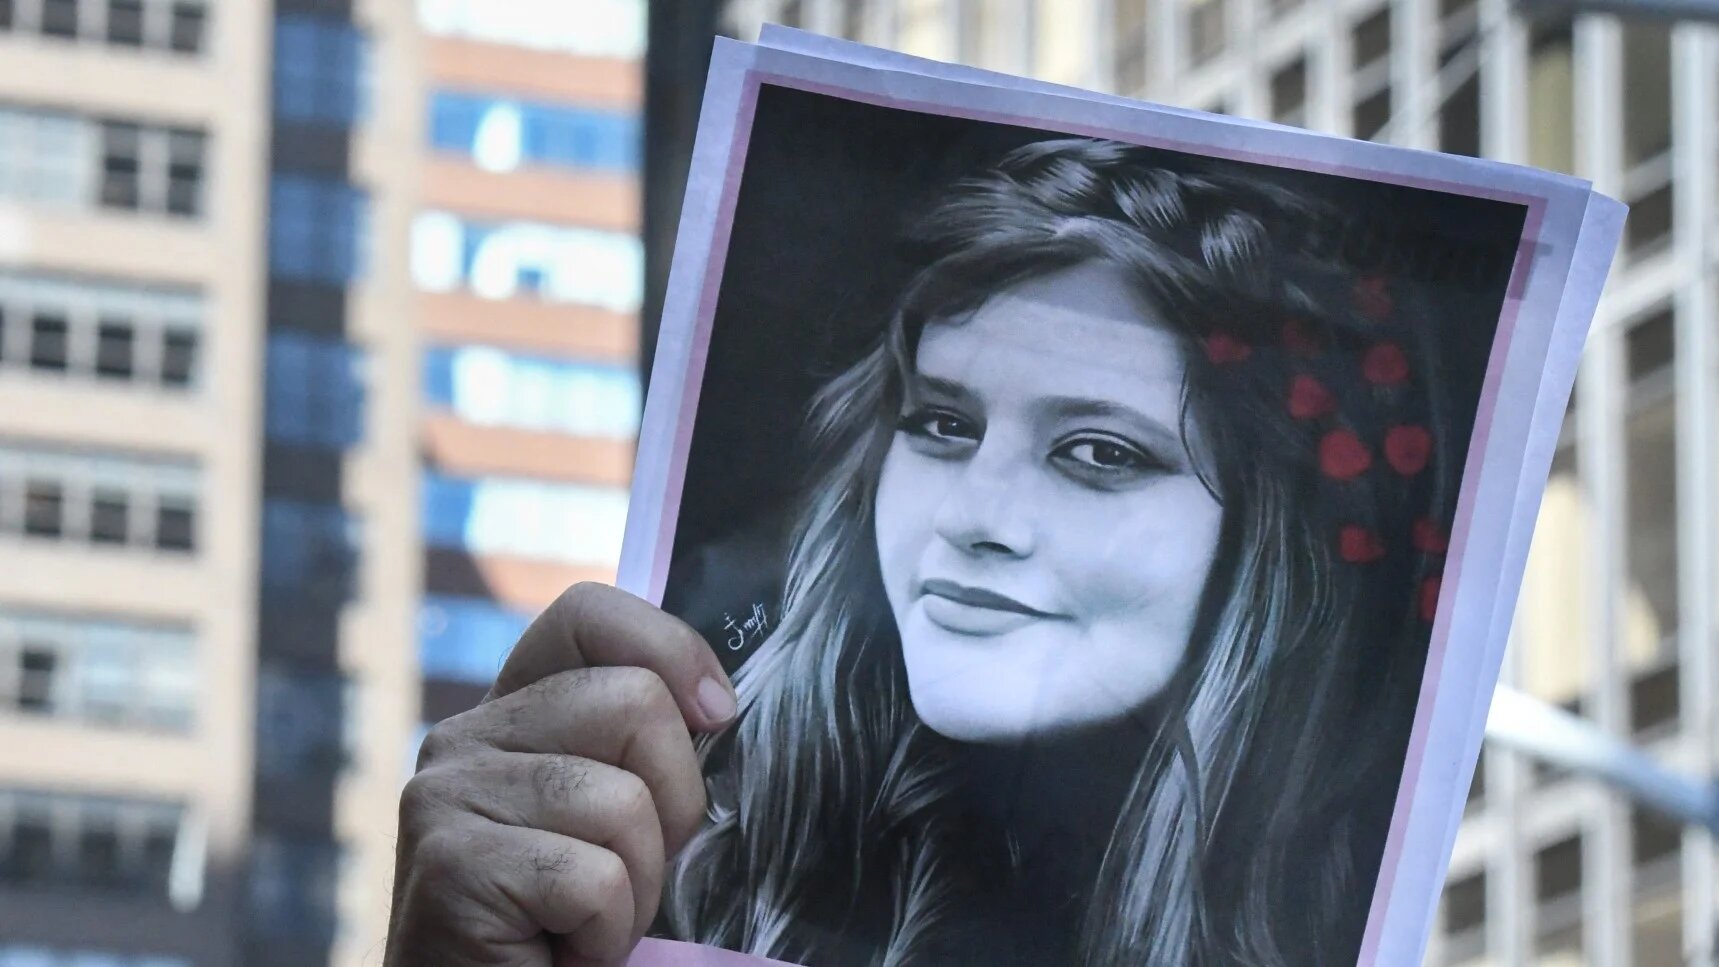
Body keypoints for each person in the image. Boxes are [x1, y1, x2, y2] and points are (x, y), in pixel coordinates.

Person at [387, 139, 1458, 967]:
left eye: (1097, 451)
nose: (975, 515)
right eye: (942, 424)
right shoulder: (676, 872)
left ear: (1268, 547)